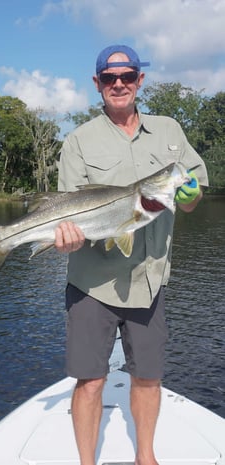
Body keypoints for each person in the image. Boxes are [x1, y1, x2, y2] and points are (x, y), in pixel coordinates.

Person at [55, 45, 208, 465]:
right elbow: (69, 210)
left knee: (148, 377)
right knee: (90, 381)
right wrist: (66, 237)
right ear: (97, 84)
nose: (118, 84)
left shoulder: (170, 130)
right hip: (92, 283)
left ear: (140, 80)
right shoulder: (79, 141)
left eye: (127, 76)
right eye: (109, 77)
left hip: (150, 278)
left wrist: (189, 193)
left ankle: (146, 456)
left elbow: (190, 191)